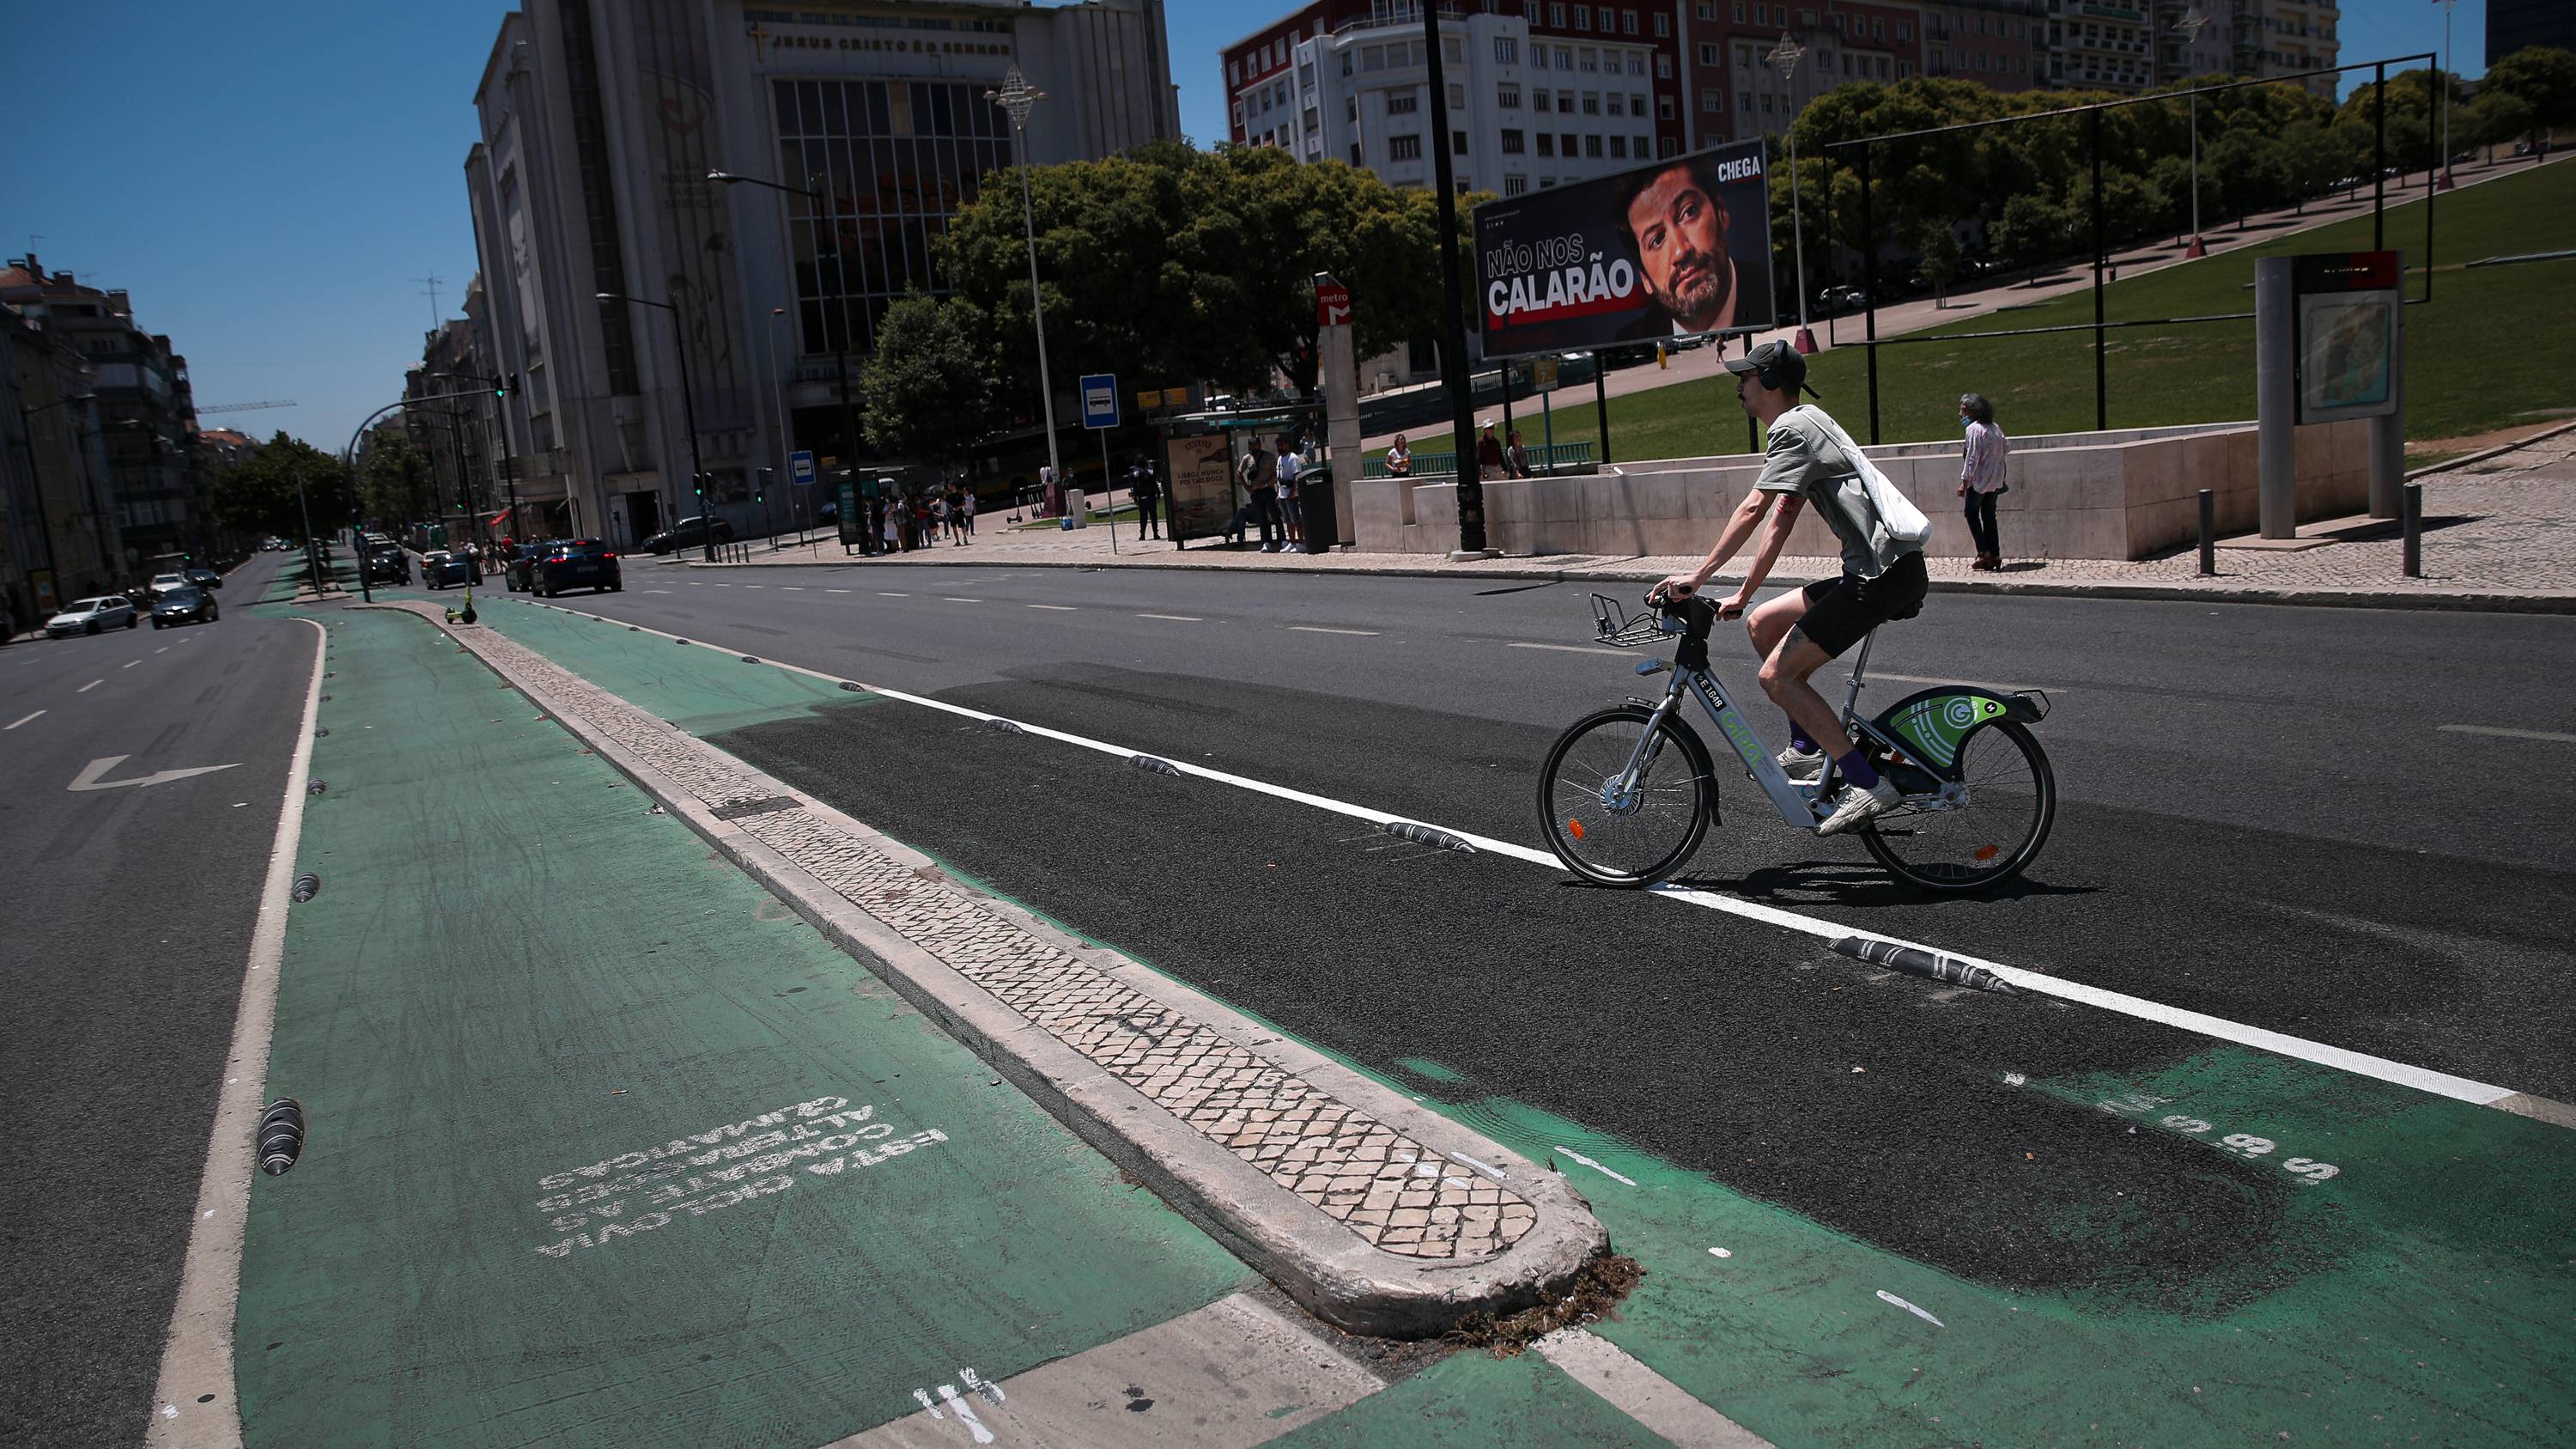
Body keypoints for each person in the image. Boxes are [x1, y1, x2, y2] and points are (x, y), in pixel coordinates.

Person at [1651, 340, 1931, 837]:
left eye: (1746, 378)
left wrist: (1697, 578)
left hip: (1879, 577)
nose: (1739, 387)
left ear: (1771, 382)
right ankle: (1806, 749)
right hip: (1883, 571)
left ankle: (1868, 782)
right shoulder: (1808, 423)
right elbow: (1780, 520)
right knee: (1763, 621)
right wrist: (1741, 594)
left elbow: (1754, 508)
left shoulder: (1791, 429)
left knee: (1776, 679)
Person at [1614, 151, 1761, 338]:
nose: (1680, 251)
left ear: (1721, 212)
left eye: (1689, 212)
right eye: (1657, 240)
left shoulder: (1770, 298)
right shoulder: (1634, 337)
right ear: (1644, 278)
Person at [1957, 393, 2009, 571]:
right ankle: (1995, 554)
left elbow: (1972, 458)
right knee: (1989, 516)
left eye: (1964, 410)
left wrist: (1964, 481)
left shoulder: (1973, 430)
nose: (1961, 415)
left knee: (1971, 513)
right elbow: (2006, 448)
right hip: (1995, 481)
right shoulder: (1995, 428)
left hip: (1978, 481)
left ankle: (1984, 552)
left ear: (1973, 412)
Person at [1274, 441, 1303, 552]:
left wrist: (1292, 492)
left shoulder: (1293, 458)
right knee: (1288, 520)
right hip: (1282, 495)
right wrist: (1278, 493)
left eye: (1282, 445)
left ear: (1287, 445)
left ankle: (1301, 542)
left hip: (1291, 495)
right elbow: (1279, 477)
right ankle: (1292, 542)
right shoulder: (1280, 459)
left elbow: (1297, 476)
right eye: (1278, 446)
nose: (1280, 447)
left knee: (1296, 519)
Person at [1127, 455, 1162, 539]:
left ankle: (1142, 535)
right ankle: (1155, 534)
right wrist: (1158, 495)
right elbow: (1155, 484)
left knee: (1143, 517)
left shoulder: (1135, 473)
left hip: (1142, 498)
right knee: (1154, 516)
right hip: (1151, 496)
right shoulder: (1150, 471)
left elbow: (1134, 487)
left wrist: (1135, 499)